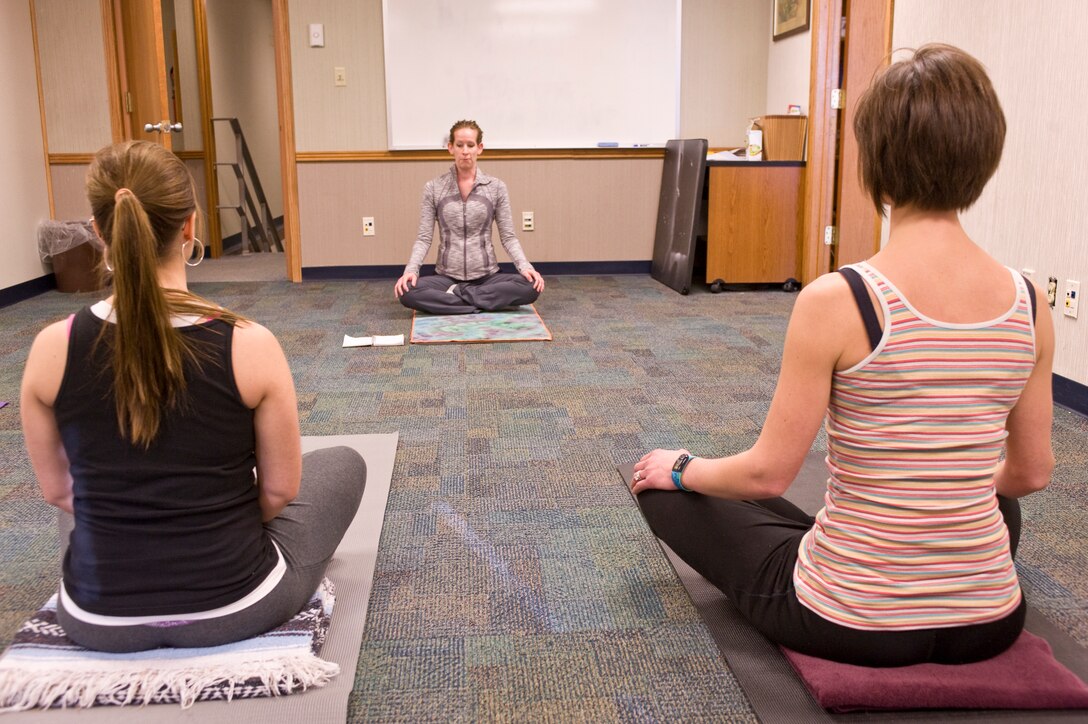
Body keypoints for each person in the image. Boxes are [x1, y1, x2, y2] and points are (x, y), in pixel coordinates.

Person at [629, 44, 1055, 668]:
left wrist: (682, 466)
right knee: (991, 494)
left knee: (661, 489)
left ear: (874, 161)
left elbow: (766, 476)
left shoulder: (842, 298)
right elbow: (1029, 475)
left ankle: (846, 549)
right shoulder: (1030, 301)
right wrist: (940, 489)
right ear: (984, 155)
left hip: (851, 620)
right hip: (990, 621)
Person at [20, 140, 366, 653]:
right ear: (190, 225)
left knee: (90, 493)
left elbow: (60, 494)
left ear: (97, 231)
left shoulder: (51, 348)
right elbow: (277, 493)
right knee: (342, 463)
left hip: (95, 618)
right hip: (234, 607)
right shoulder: (249, 343)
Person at [394, 120, 545, 314]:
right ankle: (483, 300)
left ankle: (457, 296)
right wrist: (410, 271)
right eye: (459, 145)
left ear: (479, 148)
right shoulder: (433, 188)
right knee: (408, 292)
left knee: (531, 286)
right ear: (450, 148)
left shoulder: (496, 187)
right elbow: (424, 238)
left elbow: (508, 237)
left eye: (470, 145)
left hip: (487, 276)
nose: (465, 151)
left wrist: (525, 267)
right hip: (446, 277)